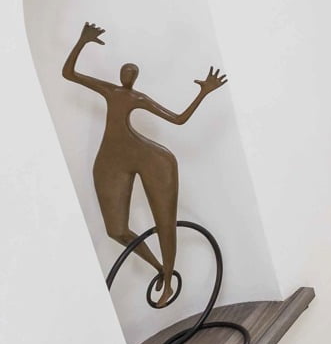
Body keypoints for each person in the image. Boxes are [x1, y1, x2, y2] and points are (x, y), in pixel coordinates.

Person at [62, 21, 226, 307]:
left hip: (145, 155)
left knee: (165, 222)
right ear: (120, 75)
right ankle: (161, 270)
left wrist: (203, 92)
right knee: (116, 230)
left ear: (135, 79)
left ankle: (167, 281)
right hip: (112, 158)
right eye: (125, 72)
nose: (127, 76)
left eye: (132, 73)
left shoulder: (139, 98)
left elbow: (178, 119)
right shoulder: (110, 91)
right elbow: (69, 73)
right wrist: (82, 41)